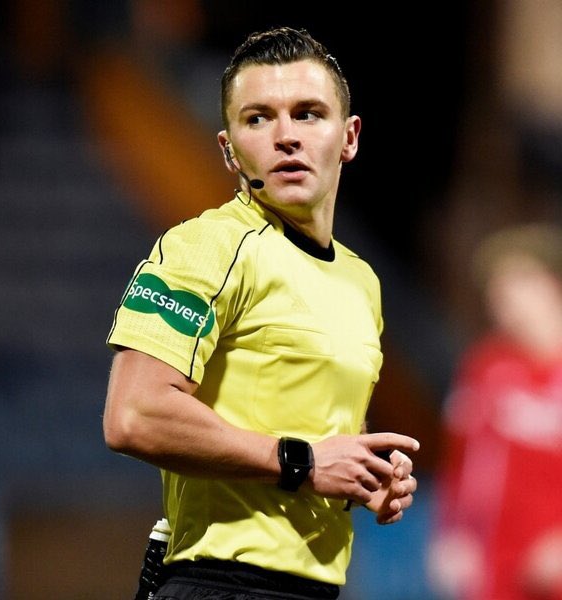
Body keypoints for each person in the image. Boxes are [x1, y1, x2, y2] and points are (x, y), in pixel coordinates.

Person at [103, 26, 420, 600]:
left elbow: (318, 429)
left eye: (308, 114)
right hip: (219, 582)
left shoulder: (361, 281)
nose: (286, 136)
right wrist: (303, 462)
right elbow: (134, 415)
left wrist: (365, 475)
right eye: (258, 119)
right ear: (229, 150)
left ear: (348, 137)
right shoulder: (208, 246)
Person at [427, 223, 562, 600]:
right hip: (495, 568)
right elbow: (462, 461)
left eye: (517, 283)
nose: (504, 300)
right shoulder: (485, 367)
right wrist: (451, 532)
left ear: (552, 283)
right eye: (495, 290)